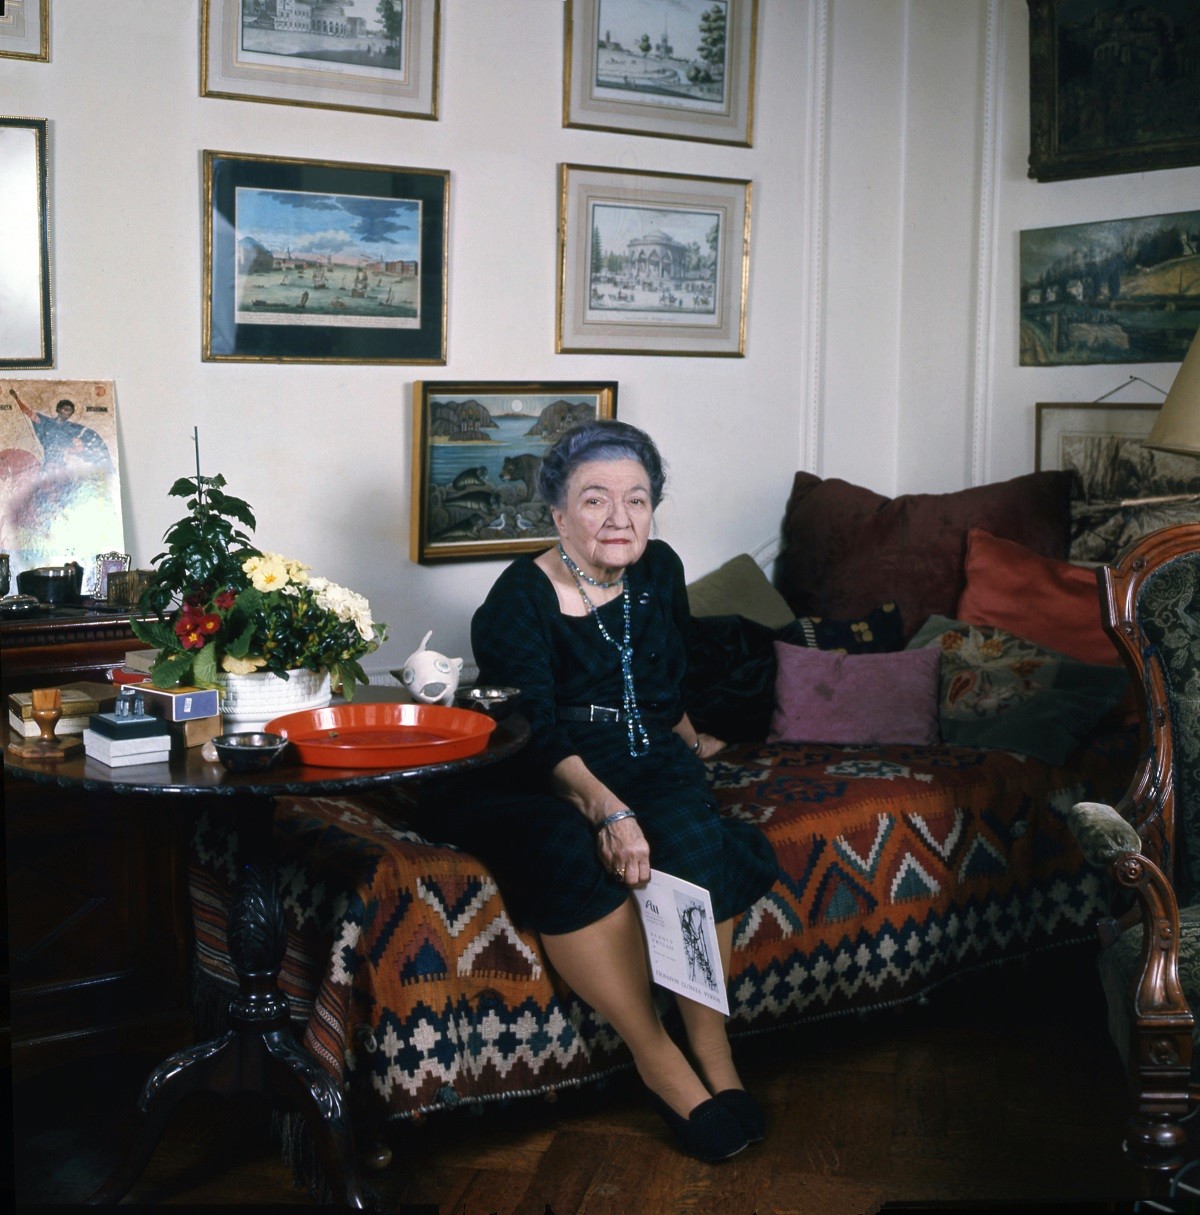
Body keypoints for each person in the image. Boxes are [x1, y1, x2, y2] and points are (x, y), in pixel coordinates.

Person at [427, 419, 779, 1162]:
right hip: (553, 765)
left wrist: (690, 739)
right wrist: (609, 810)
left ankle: (712, 1047)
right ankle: (656, 1056)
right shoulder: (514, 601)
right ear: (557, 512)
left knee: (694, 845)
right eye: (595, 500)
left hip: (651, 753)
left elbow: (666, 679)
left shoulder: (660, 570)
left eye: (638, 500)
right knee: (567, 850)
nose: (620, 518)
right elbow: (536, 732)